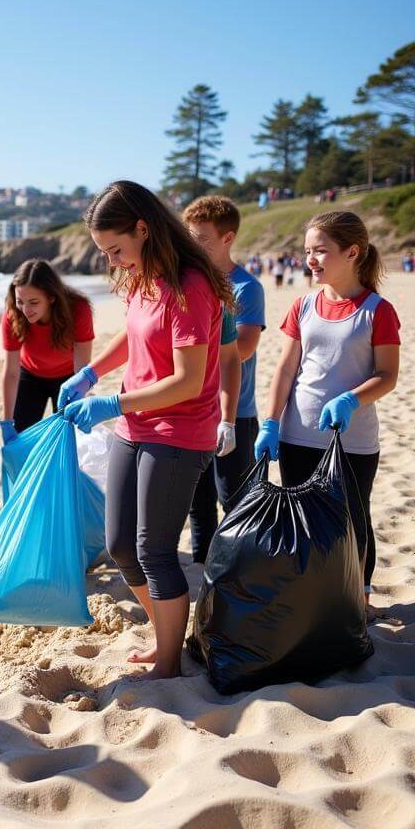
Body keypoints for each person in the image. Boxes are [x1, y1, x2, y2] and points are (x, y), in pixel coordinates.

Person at [57, 180, 234, 680]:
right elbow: (132, 334)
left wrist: (110, 401)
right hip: (134, 426)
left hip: (179, 433)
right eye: (104, 253)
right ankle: (168, 634)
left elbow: (187, 381)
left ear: (143, 228)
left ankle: (169, 662)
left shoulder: (191, 286)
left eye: (116, 249)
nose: (113, 261)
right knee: (119, 546)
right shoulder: (143, 276)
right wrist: (92, 372)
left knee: (154, 550)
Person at [255, 211, 400, 619]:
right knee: (304, 523)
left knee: (353, 520)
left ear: (352, 252)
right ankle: (312, 598)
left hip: (351, 441)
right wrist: (270, 421)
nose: (311, 260)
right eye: (307, 252)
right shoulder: (302, 305)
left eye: (321, 251)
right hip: (296, 435)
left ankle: (360, 598)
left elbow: (387, 376)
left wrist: (351, 399)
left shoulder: (377, 310)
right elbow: (285, 369)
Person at [183, 197, 267, 563]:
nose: (193, 245)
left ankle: (238, 570)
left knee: (234, 501)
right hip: (192, 410)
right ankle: (203, 567)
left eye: (202, 239)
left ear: (228, 237)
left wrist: (195, 353)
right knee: (197, 506)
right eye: (189, 237)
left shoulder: (246, 288)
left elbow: (244, 348)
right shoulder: (187, 281)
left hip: (236, 413)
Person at [0, 259, 94, 447]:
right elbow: (11, 372)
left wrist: (77, 406)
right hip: (30, 377)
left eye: (33, 302)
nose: (26, 310)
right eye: (20, 301)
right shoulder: (13, 315)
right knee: (19, 443)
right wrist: (6, 422)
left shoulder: (78, 310)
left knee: (66, 442)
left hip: (68, 379)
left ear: (51, 297)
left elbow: (81, 369)